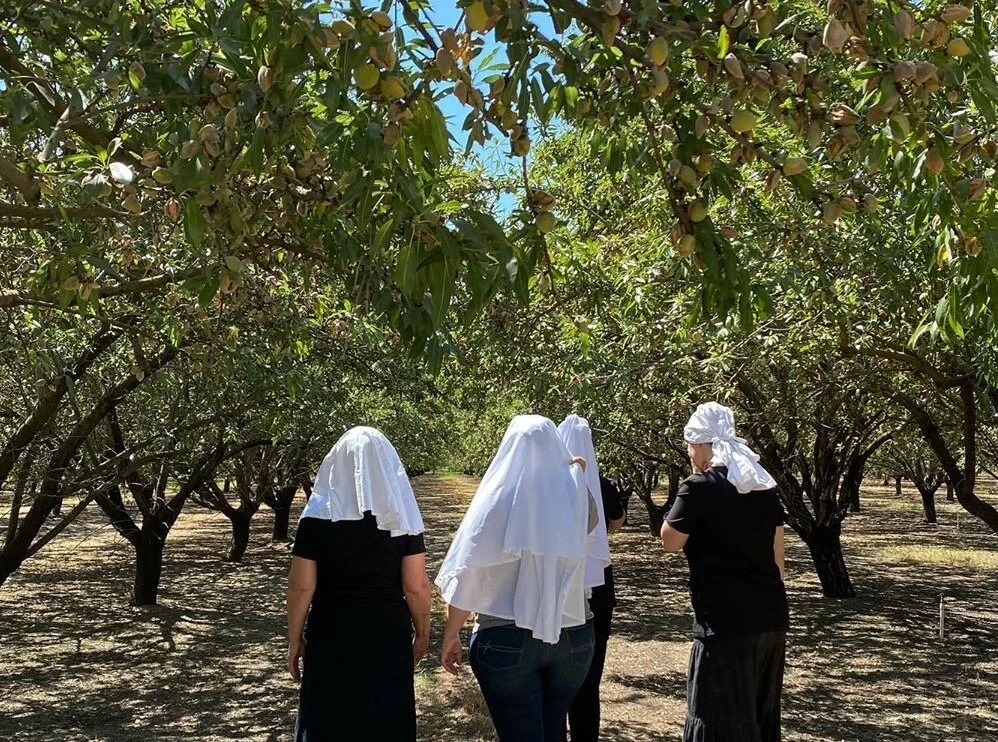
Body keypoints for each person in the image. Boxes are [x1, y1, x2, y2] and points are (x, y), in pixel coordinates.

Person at [437, 415, 597, 742]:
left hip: (505, 634)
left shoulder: (496, 497)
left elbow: (471, 567)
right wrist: (572, 474)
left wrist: (452, 633)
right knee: (554, 732)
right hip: (573, 634)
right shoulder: (575, 491)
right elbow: (591, 523)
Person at [286, 426, 431, 742]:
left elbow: (301, 587)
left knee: (327, 720)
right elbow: (416, 586)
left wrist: (294, 639)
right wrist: (422, 632)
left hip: (331, 635)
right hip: (387, 635)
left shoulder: (316, 518)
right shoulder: (403, 517)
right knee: (386, 721)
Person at [660, 402, 789, 742]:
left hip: (724, 622)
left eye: (690, 445)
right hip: (771, 617)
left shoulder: (699, 486)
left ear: (704, 445)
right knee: (759, 716)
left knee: (715, 718)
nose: (688, 453)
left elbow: (670, 541)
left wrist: (683, 495)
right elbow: (778, 556)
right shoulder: (763, 487)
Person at [557, 415, 626, 742]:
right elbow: (617, 521)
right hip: (597, 584)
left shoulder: (550, 478)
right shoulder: (603, 482)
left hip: (557, 583)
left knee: (554, 675)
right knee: (589, 675)